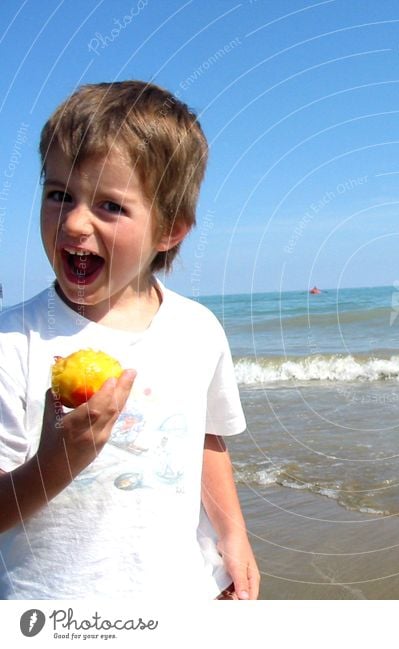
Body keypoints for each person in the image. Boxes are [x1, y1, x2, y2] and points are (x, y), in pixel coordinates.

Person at [0, 81, 259, 599]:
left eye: (110, 206)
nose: (74, 222)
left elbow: (205, 438)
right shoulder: (13, 343)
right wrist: (57, 463)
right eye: (59, 195)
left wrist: (234, 534)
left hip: (184, 593)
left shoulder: (197, 330)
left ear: (170, 230)